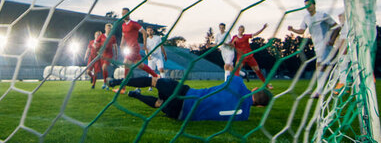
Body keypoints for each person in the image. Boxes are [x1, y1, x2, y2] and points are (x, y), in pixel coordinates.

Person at [107, 75, 272, 121]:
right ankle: (136, 95)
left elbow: (230, 70)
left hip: (187, 95)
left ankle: (117, 82)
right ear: (259, 106)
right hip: (183, 115)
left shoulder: (238, 84)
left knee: (154, 81)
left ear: (256, 88)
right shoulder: (244, 116)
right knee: (159, 104)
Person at [288, 0, 341, 98]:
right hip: (316, 45)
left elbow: (337, 27)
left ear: (314, 5)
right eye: (306, 6)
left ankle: (319, 91)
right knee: (328, 65)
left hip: (325, 44)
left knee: (320, 65)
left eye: (309, 5)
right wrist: (292, 29)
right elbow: (302, 31)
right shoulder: (306, 18)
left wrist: (332, 39)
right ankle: (340, 80)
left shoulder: (323, 15)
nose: (307, 7)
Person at [116, 7, 159, 93]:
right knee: (140, 65)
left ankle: (123, 88)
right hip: (129, 48)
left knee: (126, 64)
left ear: (129, 14)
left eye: (126, 13)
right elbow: (124, 36)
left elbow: (144, 32)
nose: (124, 15)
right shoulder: (123, 25)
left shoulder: (133, 24)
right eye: (122, 13)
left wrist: (145, 44)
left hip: (134, 47)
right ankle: (156, 76)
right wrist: (121, 44)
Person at [231, 24, 272, 89]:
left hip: (249, 56)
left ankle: (267, 85)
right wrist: (232, 42)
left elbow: (255, 34)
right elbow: (231, 45)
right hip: (241, 57)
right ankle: (236, 86)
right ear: (238, 30)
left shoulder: (246, 36)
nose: (241, 31)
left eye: (242, 30)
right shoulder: (234, 37)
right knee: (236, 70)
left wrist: (263, 28)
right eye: (240, 29)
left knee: (257, 71)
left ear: (243, 31)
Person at [96, 23, 119, 90]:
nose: (108, 29)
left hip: (109, 54)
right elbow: (96, 43)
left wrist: (116, 54)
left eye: (110, 28)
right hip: (102, 54)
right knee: (104, 69)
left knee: (104, 67)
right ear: (105, 29)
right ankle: (106, 82)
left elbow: (115, 46)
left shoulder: (112, 37)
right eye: (107, 28)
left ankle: (105, 83)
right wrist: (97, 49)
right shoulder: (102, 36)